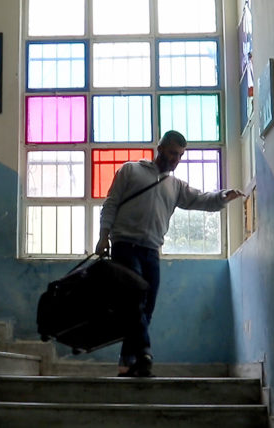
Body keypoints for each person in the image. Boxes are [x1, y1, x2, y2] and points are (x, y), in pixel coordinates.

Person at [95, 130, 244, 377]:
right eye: (173, 153)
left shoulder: (174, 186)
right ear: (160, 148)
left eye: (180, 155)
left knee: (147, 307)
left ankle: (127, 362)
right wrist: (103, 236)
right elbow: (110, 203)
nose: (176, 159)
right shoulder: (130, 171)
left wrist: (223, 197)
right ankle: (143, 354)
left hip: (151, 250)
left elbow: (201, 200)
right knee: (134, 298)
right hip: (124, 245)